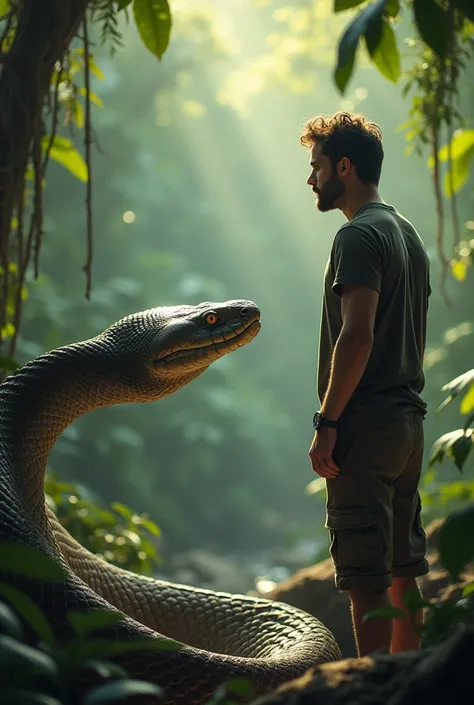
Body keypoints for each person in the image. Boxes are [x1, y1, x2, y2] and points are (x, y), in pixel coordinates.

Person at [300, 111, 431, 658]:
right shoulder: (407, 233)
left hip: (366, 428)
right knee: (403, 570)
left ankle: (373, 690)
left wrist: (328, 423)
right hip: (407, 426)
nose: (311, 179)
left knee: (365, 577)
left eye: (318, 166)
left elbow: (356, 338)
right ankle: (411, 685)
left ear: (345, 168)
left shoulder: (357, 236)